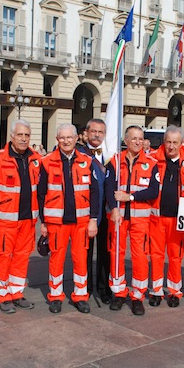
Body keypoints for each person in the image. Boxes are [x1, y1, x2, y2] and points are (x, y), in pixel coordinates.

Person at [38, 124, 99, 314]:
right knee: (56, 260)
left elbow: (95, 192)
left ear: (76, 139)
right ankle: (55, 296)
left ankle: (80, 296)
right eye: (62, 138)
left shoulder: (87, 161)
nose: (66, 141)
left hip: (81, 222)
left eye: (69, 137)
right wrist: (43, 222)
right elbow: (41, 194)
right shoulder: (46, 162)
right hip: (57, 223)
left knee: (81, 260)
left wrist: (93, 219)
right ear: (57, 140)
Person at [0, 119, 42, 313]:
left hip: (28, 220)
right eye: (20, 135)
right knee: (3, 257)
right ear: (11, 137)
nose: (23, 138)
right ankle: (2, 295)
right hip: (6, 221)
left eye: (26, 135)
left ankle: (16, 293)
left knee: (22, 257)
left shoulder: (36, 159)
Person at [105, 126, 159, 315]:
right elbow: (108, 187)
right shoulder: (115, 161)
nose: (137, 142)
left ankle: (137, 296)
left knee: (140, 257)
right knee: (116, 255)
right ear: (126, 141)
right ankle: (119, 293)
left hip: (140, 219)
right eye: (134, 138)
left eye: (140, 139)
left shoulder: (151, 163)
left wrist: (131, 197)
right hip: (118, 217)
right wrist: (113, 208)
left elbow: (153, 190)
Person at [149, 126, 184, 308]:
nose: (171, 146)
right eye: (168, 142)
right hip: (157, 217)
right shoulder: (152, 160)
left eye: (175, 142)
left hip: (178, 219)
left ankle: (174, 291)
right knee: (156, 255)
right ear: (163, 142)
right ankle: (157, 290)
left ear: (181, 143)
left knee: (176, 257)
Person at [76, 119, 112, 304]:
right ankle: (87, 288)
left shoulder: (111, 153)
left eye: (100, 132)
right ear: (86, 133)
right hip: (87, 210)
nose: (97, 135)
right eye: (94, 131)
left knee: (106, 252)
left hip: (106, 210)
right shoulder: (78, 153)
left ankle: (104, 288)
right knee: (86, 252)